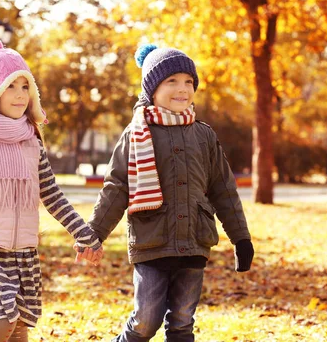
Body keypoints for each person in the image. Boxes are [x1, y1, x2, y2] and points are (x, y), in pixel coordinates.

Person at [83, 44, 254, 342]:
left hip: (194, 241)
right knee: (144, 322)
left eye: (188, 82)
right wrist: (95, 232)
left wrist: (241, 237)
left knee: (182, 322)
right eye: (171, 81)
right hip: (152, 241)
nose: (182, 89)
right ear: (152, 89)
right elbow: (116, 187)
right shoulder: (137, 133)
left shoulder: (204, 135)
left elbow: (223, 189)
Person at [0, 36, 103, 342]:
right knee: (1, 325)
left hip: (24, 255)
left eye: (25, 86)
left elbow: (51, 195)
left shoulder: (31, 141)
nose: (20, 95)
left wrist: (83, 233)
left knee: (19, 330)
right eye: (10, 86)